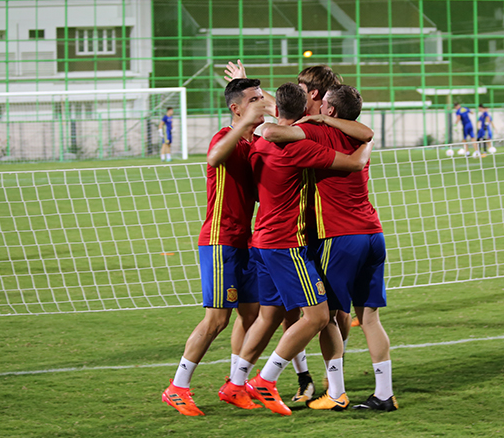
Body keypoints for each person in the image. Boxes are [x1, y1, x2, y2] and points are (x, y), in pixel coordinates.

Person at [218, 83, 372, 416]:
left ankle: (235, 382)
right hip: (287, 243)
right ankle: (267, 380)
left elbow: (273, 128)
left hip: (260, 239)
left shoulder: (259, 142)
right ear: (307, 109)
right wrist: (364, 152)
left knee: (269, 314)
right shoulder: (298, 148)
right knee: (318, 316)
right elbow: (350, 163)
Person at [263, 84, 397, 411]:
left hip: (340, 238)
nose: (317, 107)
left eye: (321, 103)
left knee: (327, 318)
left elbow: (275, 129)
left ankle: (335, 392)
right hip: (373, 233)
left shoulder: (315, 132)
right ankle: (384, 394)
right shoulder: (360, 137)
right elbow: (366, 132)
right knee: (369, 318)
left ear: (331, 111)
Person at [161, 79, 270, 416]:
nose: (261, 104)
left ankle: (236, 383)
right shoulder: (225, 138)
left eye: (261, 99)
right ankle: (177, 387)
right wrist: (243, 125)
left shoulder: (254, 145)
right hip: (219, 240)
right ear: (236, 109)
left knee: (252, 314)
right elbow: (213, 157)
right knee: (216, 320)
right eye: (253, 100)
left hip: (245, 241)